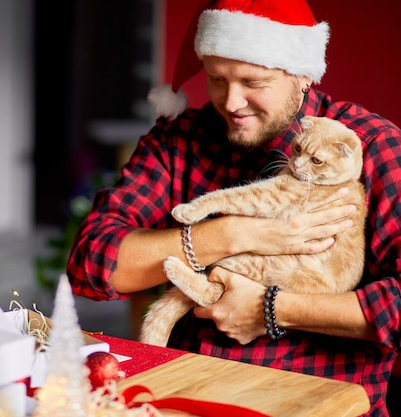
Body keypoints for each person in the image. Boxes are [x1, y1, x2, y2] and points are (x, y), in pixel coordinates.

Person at [65, 0, 401, 416]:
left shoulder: (370, 147)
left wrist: (272, 309)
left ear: (302, 76)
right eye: (217, 79)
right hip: (187, 393)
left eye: (253, 81)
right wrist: (228, 234)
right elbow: (92, 263)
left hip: (315, 400)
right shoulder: (179, 139)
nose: (232, 102)